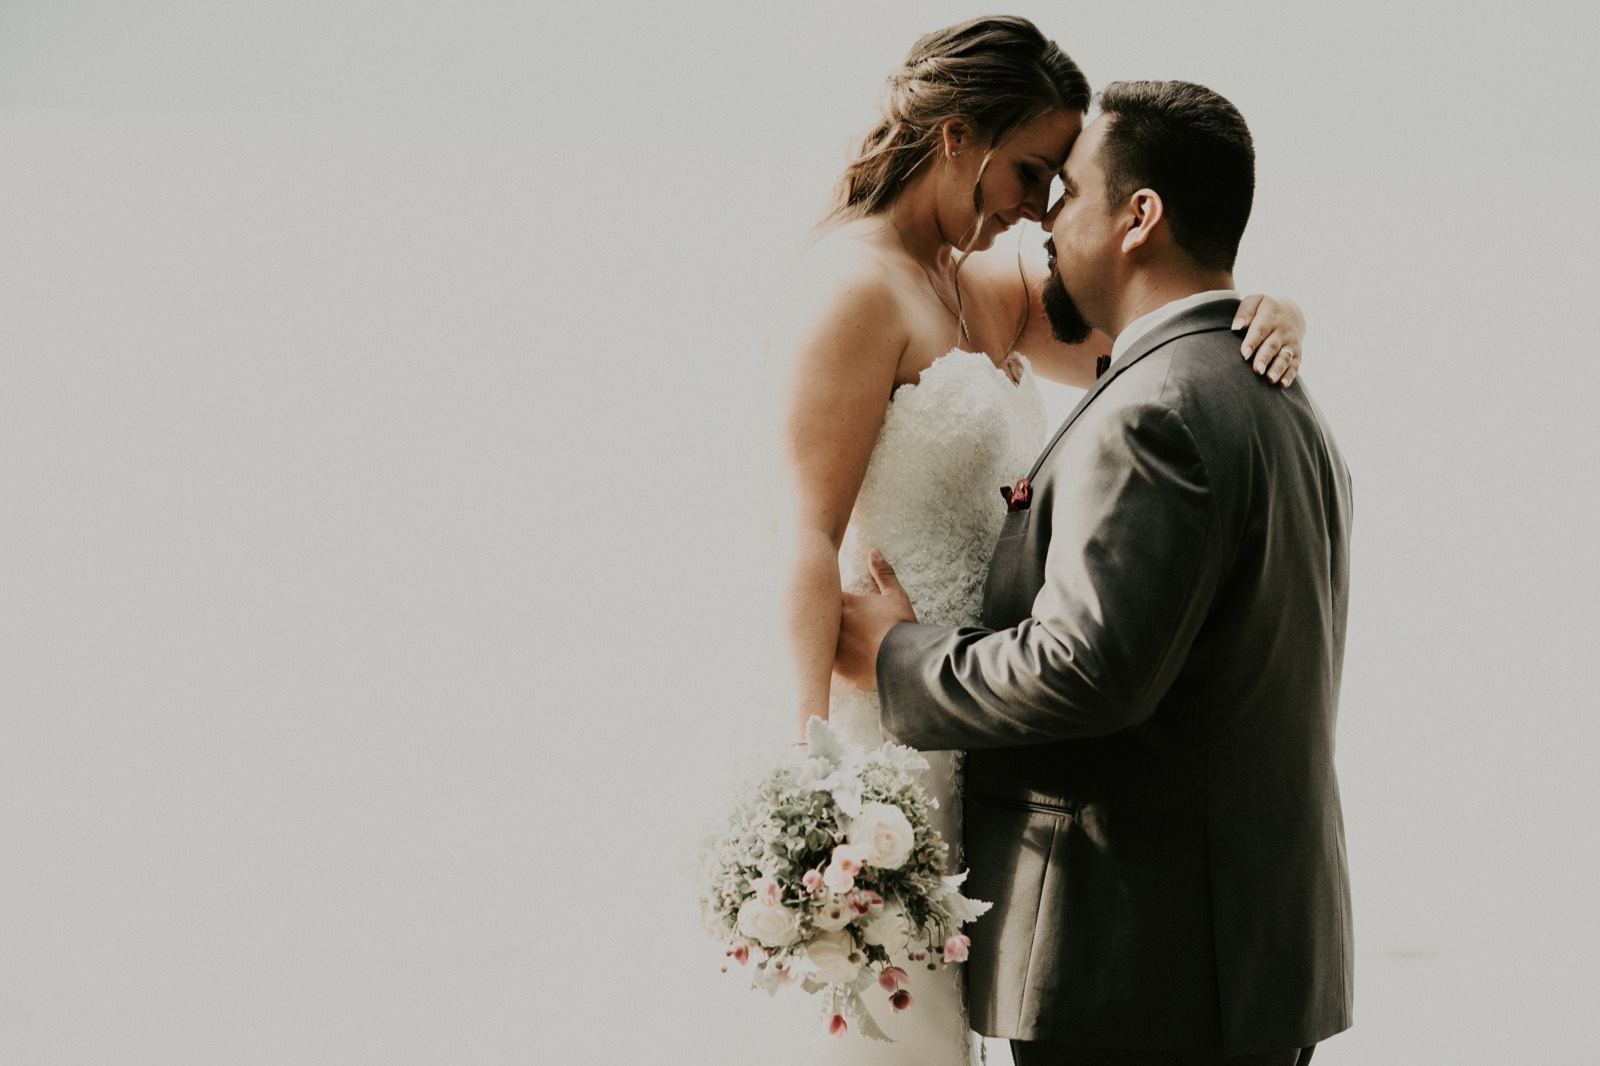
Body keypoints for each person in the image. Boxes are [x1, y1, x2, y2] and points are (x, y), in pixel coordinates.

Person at [775, 17, 1308, 1065]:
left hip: (986, 721)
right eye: (1031, 171)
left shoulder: (986, 289)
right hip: (893, 733)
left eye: (1061, 180)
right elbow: (804, 535)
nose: (1036, 207)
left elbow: (1166, 336)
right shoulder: (852, 288)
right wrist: (809, 773)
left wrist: (1273, 310)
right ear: (960, 136)